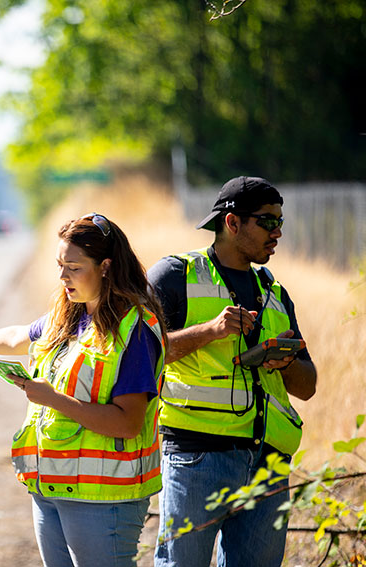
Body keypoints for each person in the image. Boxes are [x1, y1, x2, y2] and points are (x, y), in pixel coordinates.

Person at [0, 214, 167, 567]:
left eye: (73, 268)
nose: (62, 277)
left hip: (104, 497)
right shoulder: (72, 316)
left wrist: (53, 400)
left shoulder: (134, 330)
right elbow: (19, 336)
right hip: (51, 488)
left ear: (105, 267)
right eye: (60, 265)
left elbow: (128, 424)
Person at [149, 176, 318, 567]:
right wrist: (211, 330)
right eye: (267, 221)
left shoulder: (275, 291)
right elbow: (140, 357)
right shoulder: (175, 275)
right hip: (196, 457)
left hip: (267, 461)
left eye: (280, 222)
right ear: (232, 223)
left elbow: (308, 388)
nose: (277, 232)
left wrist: (287, 361)